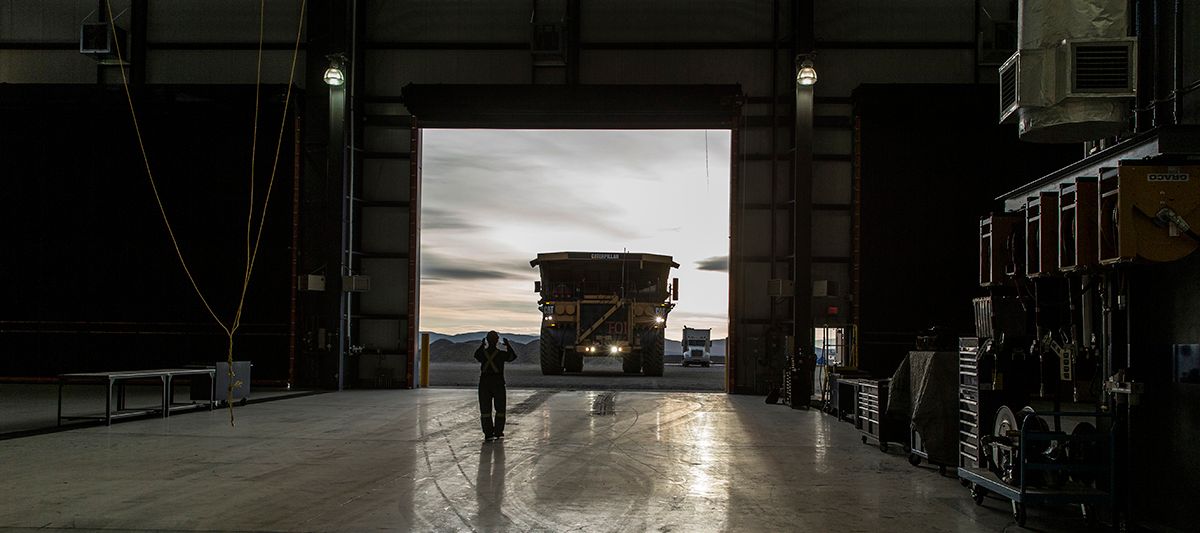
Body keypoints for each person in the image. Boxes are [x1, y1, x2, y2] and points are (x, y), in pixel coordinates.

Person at [475, 330, 517, 442]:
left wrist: (482, 345)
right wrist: (508, 345)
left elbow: (476, 355)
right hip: (498, 383)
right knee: (500, 409)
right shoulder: (501, 354)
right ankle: (498, 431)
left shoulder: (483, 354)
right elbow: (512, 357)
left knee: (485, 410)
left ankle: (488, 433)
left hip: (484, 384)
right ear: (497, 340)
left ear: (487, 340)